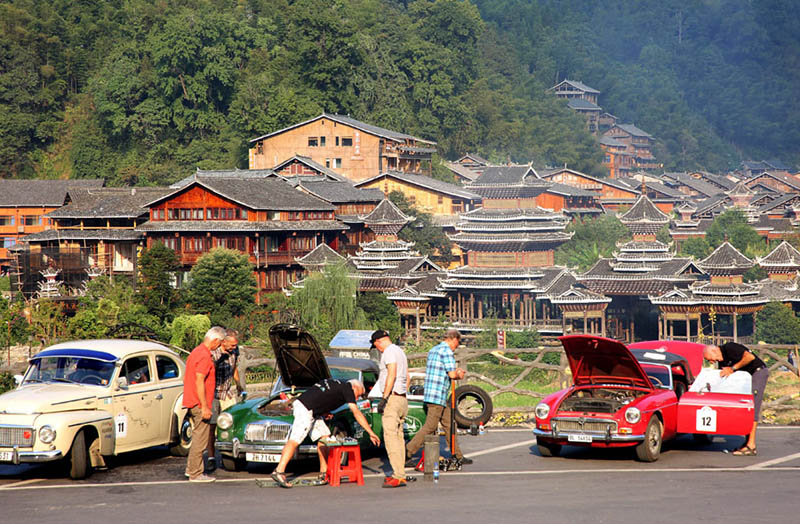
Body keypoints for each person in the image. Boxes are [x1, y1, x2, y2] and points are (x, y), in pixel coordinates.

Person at [271, 379, 381, 488]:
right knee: (295, 440)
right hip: (305, 409)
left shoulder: (337, 385)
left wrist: (323, 411)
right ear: (355, 388)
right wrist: (370, 433)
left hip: (310, 409)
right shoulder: (347, 389)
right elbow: (356, 412)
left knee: (324, 437)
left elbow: (320, 396)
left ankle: (324, 473)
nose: (357, 398)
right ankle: (279, 471)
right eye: (359, 394)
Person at [405, 328, 473, 466]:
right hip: (438, 395)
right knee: (430, 426)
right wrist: (459, 374)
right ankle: (408, 451)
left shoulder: (434, 350)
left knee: (449, 425)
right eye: (457, 344)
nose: (456, 347)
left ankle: (457, 455)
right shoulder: (446, 351)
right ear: (453, 339)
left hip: (432, 394)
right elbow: (452, 375)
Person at [703, 342, 770, 455]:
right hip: (745, 379)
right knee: (744, 408)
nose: (711, 362)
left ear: (714, 351)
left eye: (709, 358)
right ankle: (746, 443)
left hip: (757, 373)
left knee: (752, 406)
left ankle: (751, 445)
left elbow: (750, 357)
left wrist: (732, 369)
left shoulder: (730, 348)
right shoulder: (722, 361)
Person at [182, 326, 226, 482]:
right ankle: (195, 473)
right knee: (201, 439)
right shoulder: (204, 356)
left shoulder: (196, 352)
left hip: (193, 400)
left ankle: (191, 469)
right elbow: (199, 381)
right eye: (219, 343)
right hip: (200, 403)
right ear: (215, 340)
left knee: (198, 436)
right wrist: (205, 406)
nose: (219, 346)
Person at [368, 329, 409, 488]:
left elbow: (391, 374)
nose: (377, 349)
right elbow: (407, 375)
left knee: (390, 437)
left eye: (376, 345)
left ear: (378, 341)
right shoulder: (400, 351)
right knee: (399, 438)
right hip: (402, 397)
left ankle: (398, 476)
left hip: (392, 397)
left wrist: (384, 398)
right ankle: (401, 473)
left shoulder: (389, 352)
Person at [207, 328, 244, 471]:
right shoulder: (214, 352)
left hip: (227, 392)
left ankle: (228, 456)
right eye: (232, 345)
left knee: (231, 425)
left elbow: (234, 367)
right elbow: (208, 370)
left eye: (236, 345)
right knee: (212, 426)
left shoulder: (235, 351)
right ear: (224, 342)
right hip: (214, 392)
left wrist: (238, 384)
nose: (235, 348)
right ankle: (211, 457)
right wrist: (220, 360)